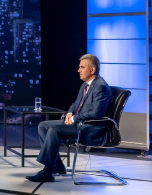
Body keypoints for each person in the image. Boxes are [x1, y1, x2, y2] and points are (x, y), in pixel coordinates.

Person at [26, 54, 112, 183]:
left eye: (82, 67)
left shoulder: (101, 87)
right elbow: (75, 104)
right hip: (79, 123)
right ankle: (58, 166)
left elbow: (96, 113)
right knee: (43, 126)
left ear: (92, 70)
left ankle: (47, 172)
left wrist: (74, 118)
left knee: (54, 130)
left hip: (91, 128)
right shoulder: (85, 85)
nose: (78, 70)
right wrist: (70, 113)